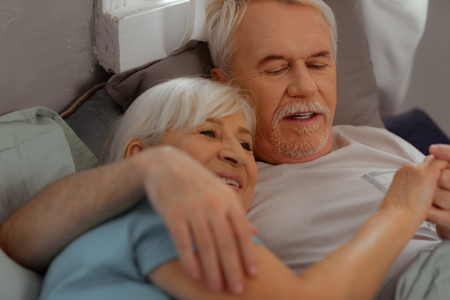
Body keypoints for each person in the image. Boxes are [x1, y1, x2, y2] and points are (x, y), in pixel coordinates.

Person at [1, 0, 450, 297]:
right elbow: (19, 240)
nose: (304, 85)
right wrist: (399, 212)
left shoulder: (382, 140)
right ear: (227, 81)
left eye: (318, 62)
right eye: (275, 69)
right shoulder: (201, 206)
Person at [37, 77, 448, 300]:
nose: (237, 154)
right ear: (142, 156)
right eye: (208, 132)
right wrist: (398, 211)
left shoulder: (104, 229)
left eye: (246, 144)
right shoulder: (174, 215)